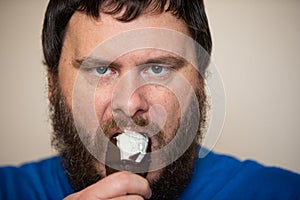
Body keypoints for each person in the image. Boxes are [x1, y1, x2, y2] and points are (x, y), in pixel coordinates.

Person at [1, 0, 300, 199]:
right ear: (52, 85)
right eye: (101, 69)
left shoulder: (279, 193)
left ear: (201, 82)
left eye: (158, 68)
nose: (130, 105)